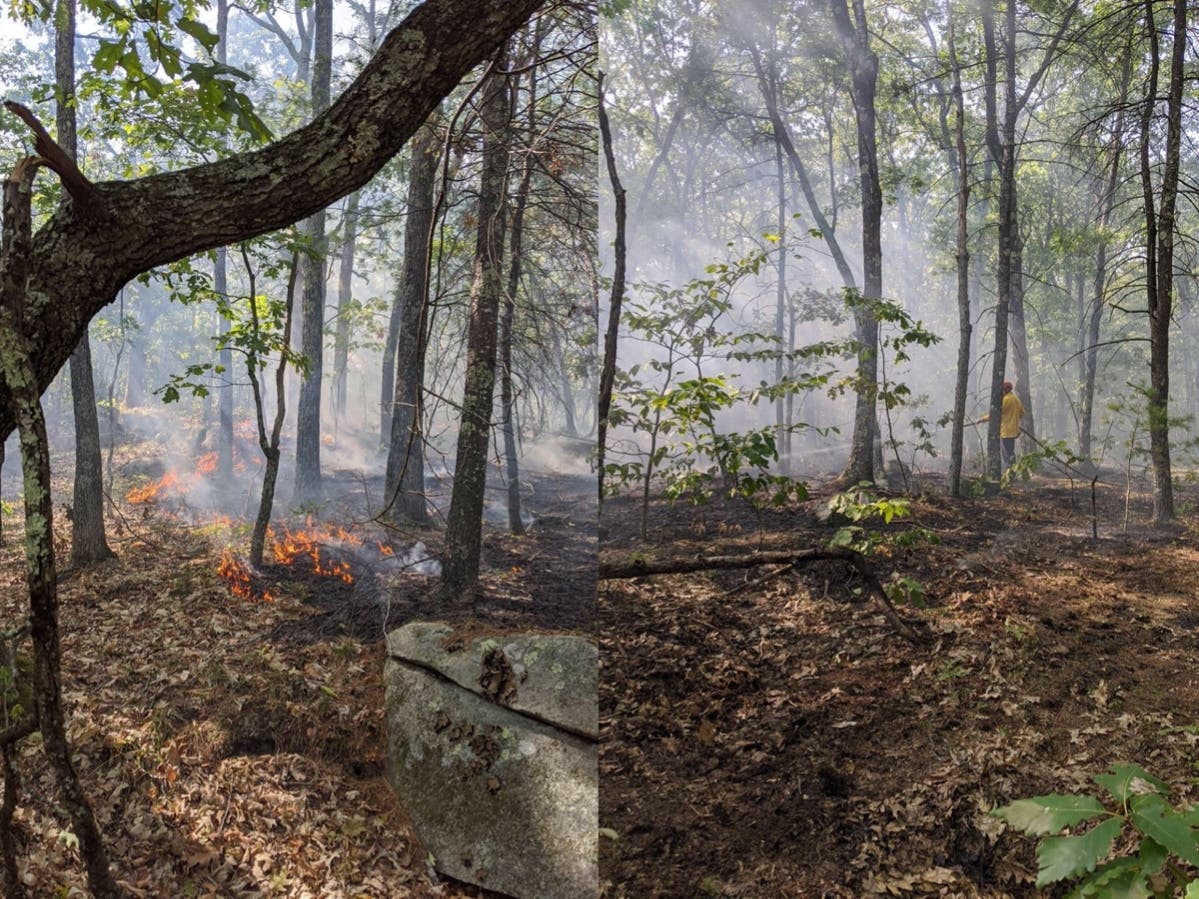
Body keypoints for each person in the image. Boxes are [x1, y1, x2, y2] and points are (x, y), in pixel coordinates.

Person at [976, 381, 1025, 470]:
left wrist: (982, 419)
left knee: (1006, 454)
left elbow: (995, 414)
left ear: (1005, 390)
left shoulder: (1006, 400)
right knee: (1010, 452)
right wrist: (1014, 420)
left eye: (1002, 389)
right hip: (1013, 431)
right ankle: (1012, 472)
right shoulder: (1016, 399)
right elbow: (1022, 413)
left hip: (1006, 431)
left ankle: (1010, 474)